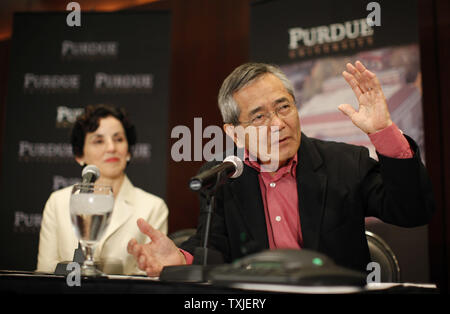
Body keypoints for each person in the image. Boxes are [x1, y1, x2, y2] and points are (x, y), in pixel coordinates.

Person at [127, 61, 435, 276]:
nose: (278, 124)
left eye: (283, 106)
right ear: (235, 133)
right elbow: (217, 247)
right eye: (259, 117)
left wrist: (383, 130)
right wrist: (181, 258)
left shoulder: (344, 163)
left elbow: (413, 211)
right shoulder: (225, 176)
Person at [37, 104, 169, 275]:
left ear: (128, 151)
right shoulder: (58, 201)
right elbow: (45, 273)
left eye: (118, 139)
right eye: (99, 141)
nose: (111, 148)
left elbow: (148, 278)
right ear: (79, 155)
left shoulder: (153, 207)